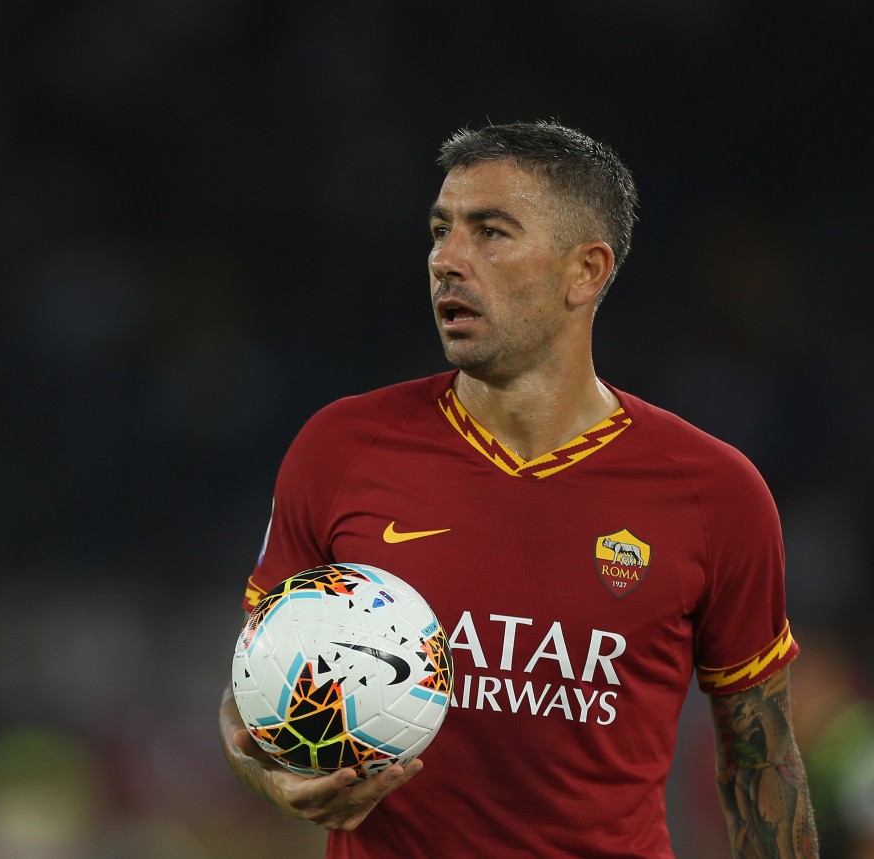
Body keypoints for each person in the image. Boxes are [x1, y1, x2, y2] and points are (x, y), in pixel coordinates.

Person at [219, 121, 818, 858]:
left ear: (585, 272)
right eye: (440, 231)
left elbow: (761, 759)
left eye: (490, 232)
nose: (447, 260)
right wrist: (271, 778)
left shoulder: (714, 493)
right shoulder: (342, 447)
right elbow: (251, 694)